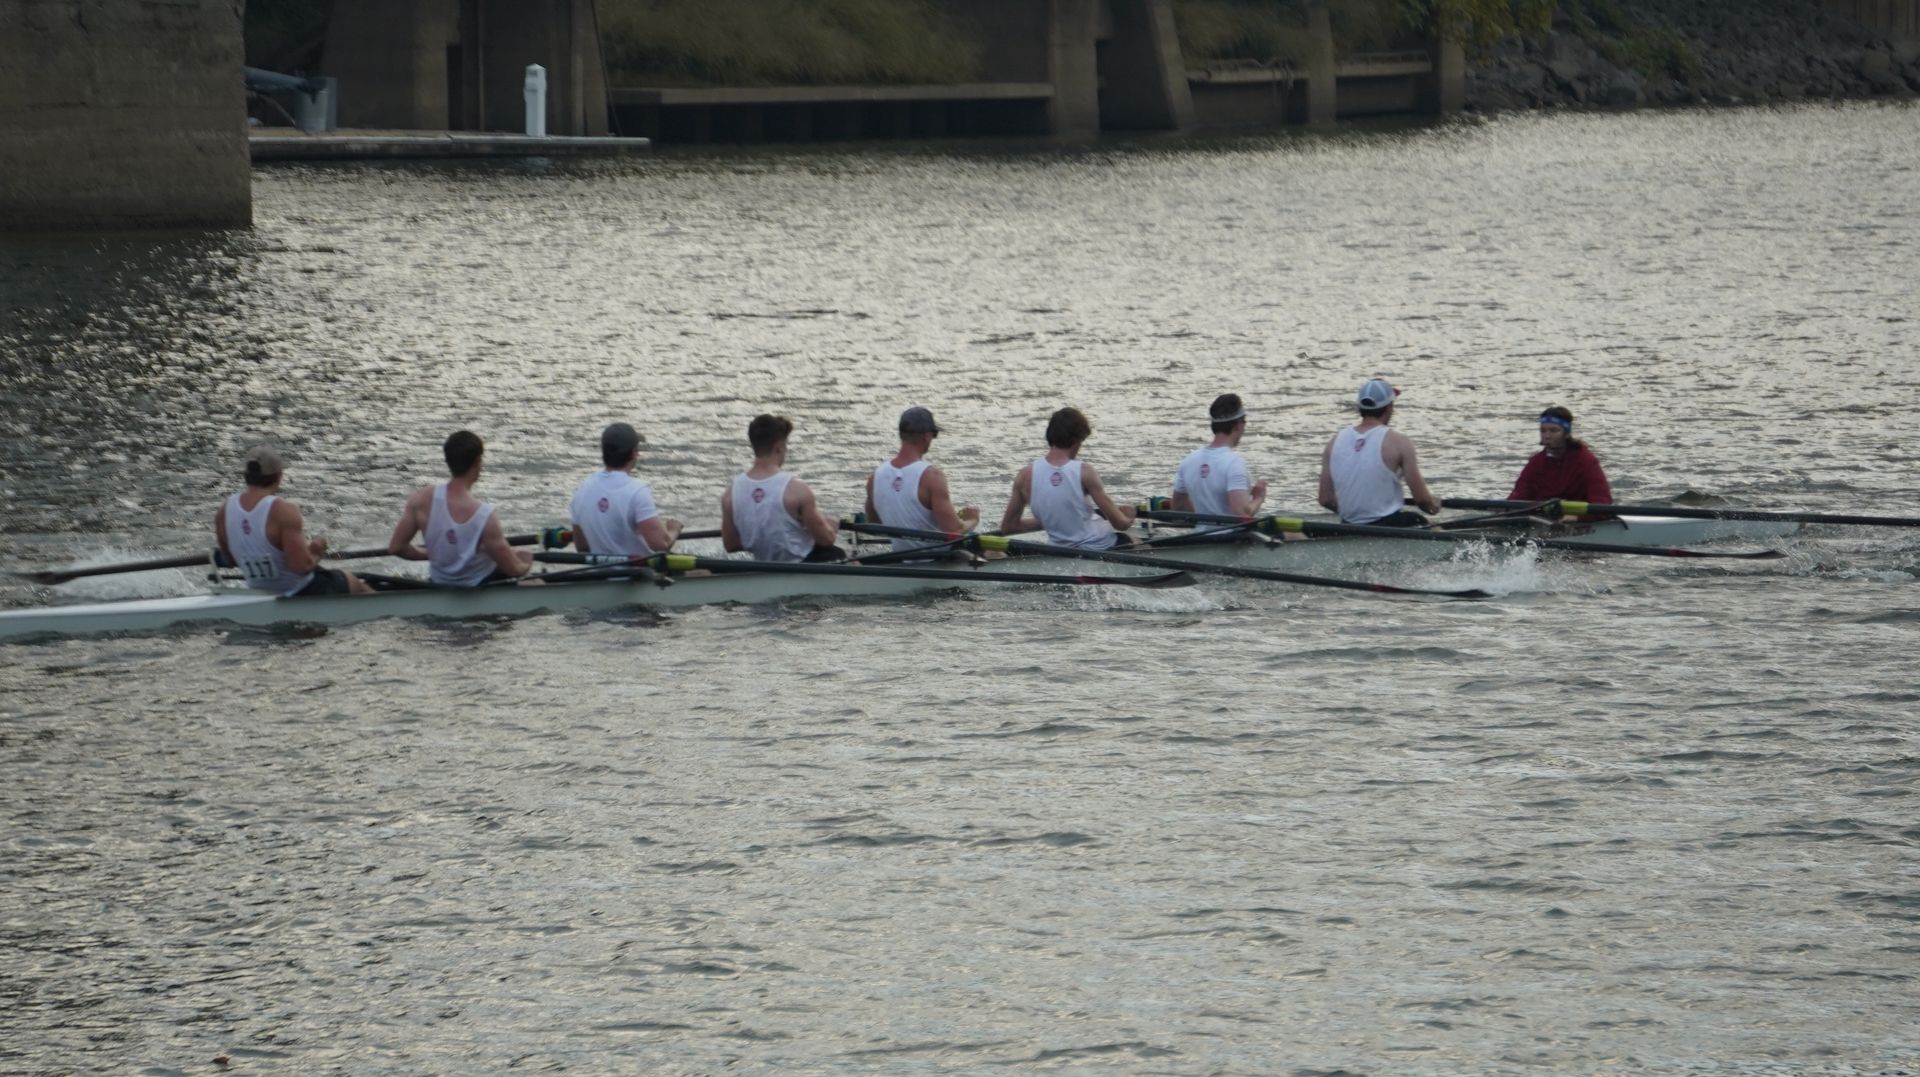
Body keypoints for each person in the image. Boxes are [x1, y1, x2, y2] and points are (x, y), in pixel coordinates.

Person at [213, 444, 371, 596]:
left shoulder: (224, 510)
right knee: (351, 580)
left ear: (245, 476)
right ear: (279, 476)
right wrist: (316, 551)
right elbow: (301, 567)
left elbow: (231, 560)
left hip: (258, 593)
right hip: (301, 590)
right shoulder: (284, 511)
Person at [386, 430, 534, 585]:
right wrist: (527, 562)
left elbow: (396, 548)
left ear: (448, 461)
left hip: (439, 583)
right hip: (479, 585)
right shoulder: (485, 515)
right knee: (524, 558)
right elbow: (514, 570)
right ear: (478, 461)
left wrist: (434, 553)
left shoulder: (420, 500)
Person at [997, 407, 1137, 549]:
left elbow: (1009, 527)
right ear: (1078, 440)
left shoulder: (1025, 475)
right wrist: (1129, 516)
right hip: (1099, 546)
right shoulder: (1085, 471)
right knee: (1136, 542)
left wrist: (1053, 520)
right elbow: (1119, 524)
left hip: (1059, 551)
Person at [719, 414, 846, 563]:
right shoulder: (797, 490)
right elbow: (826, 540)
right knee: (837, 552)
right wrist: (830, 526)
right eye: (786, 446)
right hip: (803, 568)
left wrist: (762, 537)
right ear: (779, 447)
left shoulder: (730, 494)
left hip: (765, 566)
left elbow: (731, 544)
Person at [1317, 377, 1441, 527]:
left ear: (1360, 408)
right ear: (1389, 407)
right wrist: (1434, 505)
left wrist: (1359, 515)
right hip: (1391, 525)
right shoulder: (1399, 441)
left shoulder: (1333, 442)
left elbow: (1325, 500)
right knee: (1428, 523)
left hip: (1349, 526)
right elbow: (1422, 500)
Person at [864, 406, 979, 554]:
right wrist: (972, 519)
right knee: (995, 553)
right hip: (938, 559)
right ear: (926, 436)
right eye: (934, 434)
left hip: (900, 558)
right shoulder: (932, 476)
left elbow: (874, 525)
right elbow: (955, 531)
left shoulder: (875, 477)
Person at [569, 422, 683, 556]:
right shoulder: (637, 491)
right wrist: (674, 529)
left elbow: (582, 548)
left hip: (600, 574)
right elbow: (661, 545)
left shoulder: (582, 489)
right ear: (634, 453)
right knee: (702, 573)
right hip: (637, 574)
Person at [1171, 392, 1268, 518]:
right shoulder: (1234, 463)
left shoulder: (1189, 460)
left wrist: (1207, 509)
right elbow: (1242, 514)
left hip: (1201, 536)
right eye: (1244, 422)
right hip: (1233, 537)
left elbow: (1178, 506)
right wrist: (1258, 498)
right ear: (1238, 425)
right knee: (1293, 535)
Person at [1508, 405, 1613, 505]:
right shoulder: (1535, 463)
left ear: (1566, 433)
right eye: (1543, 431)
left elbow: (1602, 501)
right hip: (1541, 517)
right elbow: (1517, 498)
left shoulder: (1586, 461)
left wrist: (1578, 517)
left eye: (1553, 431)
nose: (1547, 436)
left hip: (1577, 519)